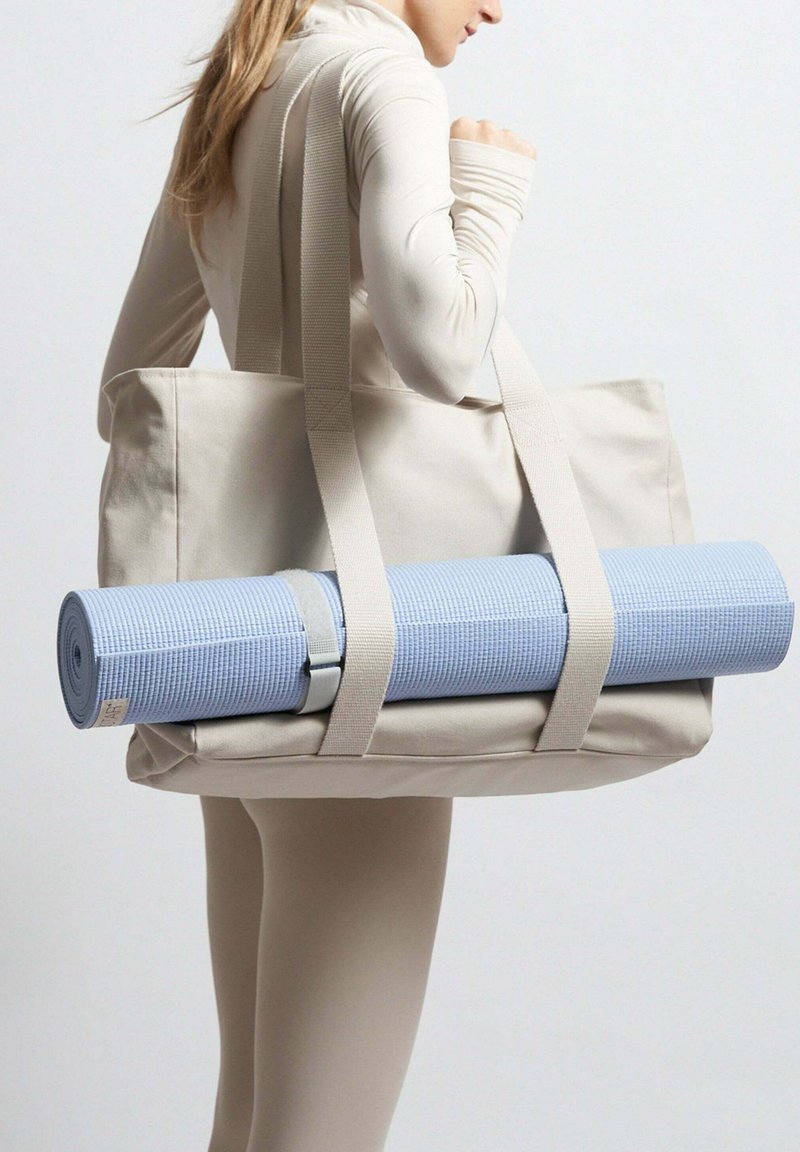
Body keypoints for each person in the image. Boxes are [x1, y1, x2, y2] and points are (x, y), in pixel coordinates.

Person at [97, 1, 537, 1148]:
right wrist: (487, 195)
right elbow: (441, 350)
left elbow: (126, 384)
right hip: (365, 655)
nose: (498, 6)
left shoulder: (240, 85)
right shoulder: (382, 80)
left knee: (250, 1111)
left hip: (246, 646)